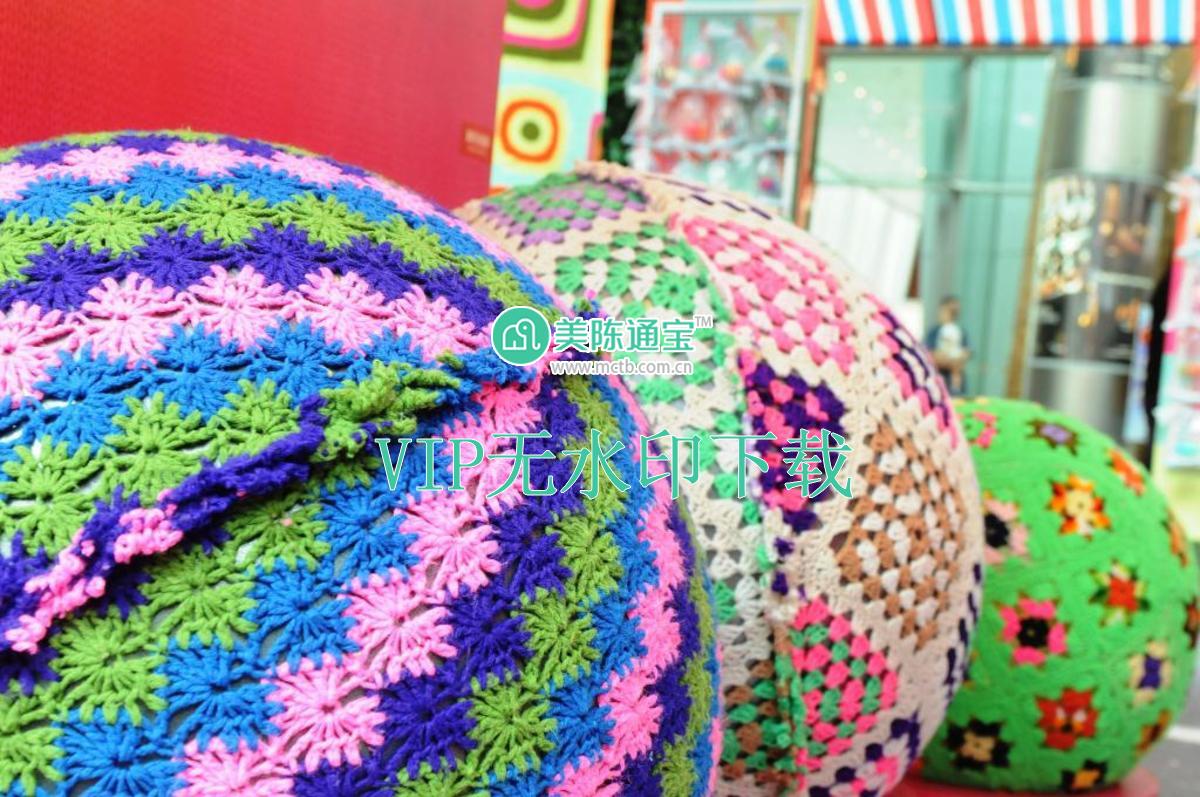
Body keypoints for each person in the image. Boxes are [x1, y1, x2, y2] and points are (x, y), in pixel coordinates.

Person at [926, 295, 971, 395]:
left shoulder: (960, 331)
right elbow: (931, 354)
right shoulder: (934, 332)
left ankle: (956, 387)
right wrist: (948, 361)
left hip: (955, 384)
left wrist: (956, 361)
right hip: (937, 382)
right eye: (949, 311)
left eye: (954, 312)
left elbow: (966, 353)